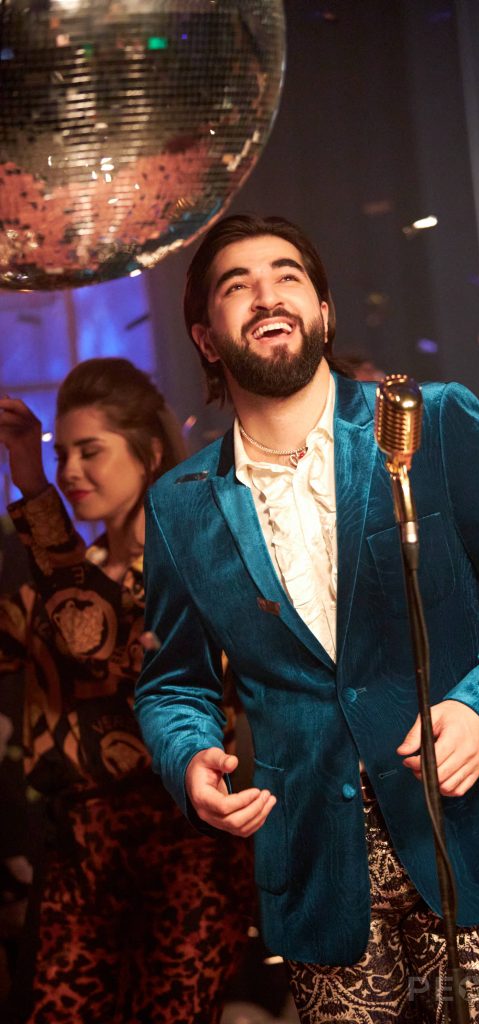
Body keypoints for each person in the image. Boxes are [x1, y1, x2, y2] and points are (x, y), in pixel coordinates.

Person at [134, 213, 479, 1024]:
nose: (266, 295)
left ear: (323, 311)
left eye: (287, 276)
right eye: (237, 285)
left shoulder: (430, 419)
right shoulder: (179, 505)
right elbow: (173, 682)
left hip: (470, 830)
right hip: (319, 864)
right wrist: (188, 755)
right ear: (206, 338)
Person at [0, 358, 254, 1024]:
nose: (70, 470)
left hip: (180, 848)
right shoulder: (65, 576)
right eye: (61, 454)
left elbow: (93, 634)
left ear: (148, 453)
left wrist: (31, 483)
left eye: (90, 451)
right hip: (78, 849)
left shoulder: (191, 564)